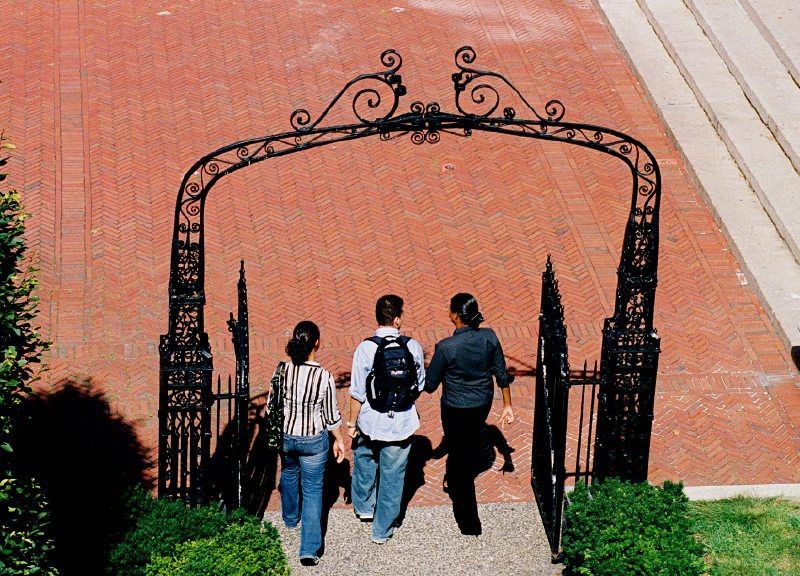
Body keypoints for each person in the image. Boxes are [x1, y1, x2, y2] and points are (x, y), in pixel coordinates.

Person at [425, 293, 514, 536]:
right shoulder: (489, 337)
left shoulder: (445, 347)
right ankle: (455, 473)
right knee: (466, 443)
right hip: (481, 403)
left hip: (455, 409)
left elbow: (430, 385)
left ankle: (469, 523)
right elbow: (501, 373)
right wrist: (507, 405)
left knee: (459, 456)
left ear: (455, 315)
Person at [348, 294, 425, 544]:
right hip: (401, 424)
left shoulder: (366, 348)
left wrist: (352, 423)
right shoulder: (412, 347)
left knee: (365, 461)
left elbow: (357, 392)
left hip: (370, 421)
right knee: (393, 478)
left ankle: (364, 508)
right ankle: (382, 531)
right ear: (398, 319)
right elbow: (419, 385)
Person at [275, 321, 346, 566]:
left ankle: (290, 517)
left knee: (289, 472)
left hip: (286, 436)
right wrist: (339, 439)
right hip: (313, 440)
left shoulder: (282, 370)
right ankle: (309, 548)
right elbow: (330, 415)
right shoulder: (323, 376)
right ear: (317, 342)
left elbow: (273, 406)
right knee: (314, 490)